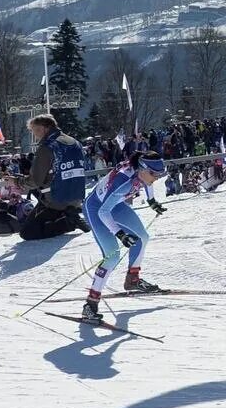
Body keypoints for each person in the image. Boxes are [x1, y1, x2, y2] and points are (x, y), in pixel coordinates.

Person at [80, 153, 170, 319]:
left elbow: (147, 182)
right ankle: (90, 305)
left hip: (115, 206)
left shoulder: (142, 173)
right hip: (96, 209)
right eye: (154, 174)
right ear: (142, 168)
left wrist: (151, 201)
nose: (156, 178)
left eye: (160, 175)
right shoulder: (124, 181)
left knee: (142, 237)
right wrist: (120, 234)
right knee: (112, 256)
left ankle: (132, 280)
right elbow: (103, 212)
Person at [14, 115, 92, 240]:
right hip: (76, 198)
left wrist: (17, 181)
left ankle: (69, 221)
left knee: (27, 232)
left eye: (34, 130)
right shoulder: (75, 142)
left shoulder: (47, 147)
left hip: (56, 200)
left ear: (44, 128)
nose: (34, 135)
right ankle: (70, 215)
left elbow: (35, 180)